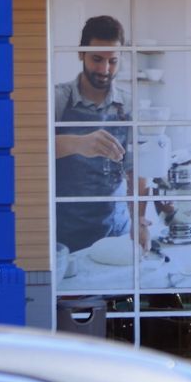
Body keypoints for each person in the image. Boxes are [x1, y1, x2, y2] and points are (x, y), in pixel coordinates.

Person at [53, 15, 155, 254]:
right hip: (66, 235)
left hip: (116, 232)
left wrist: (139, 220)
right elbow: (33, 151)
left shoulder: (128, 104)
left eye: (112, 61)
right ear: (81, 54)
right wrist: (77, 143)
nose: (104, 69)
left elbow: (135, 169)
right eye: (97, 59)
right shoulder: (57, 98)